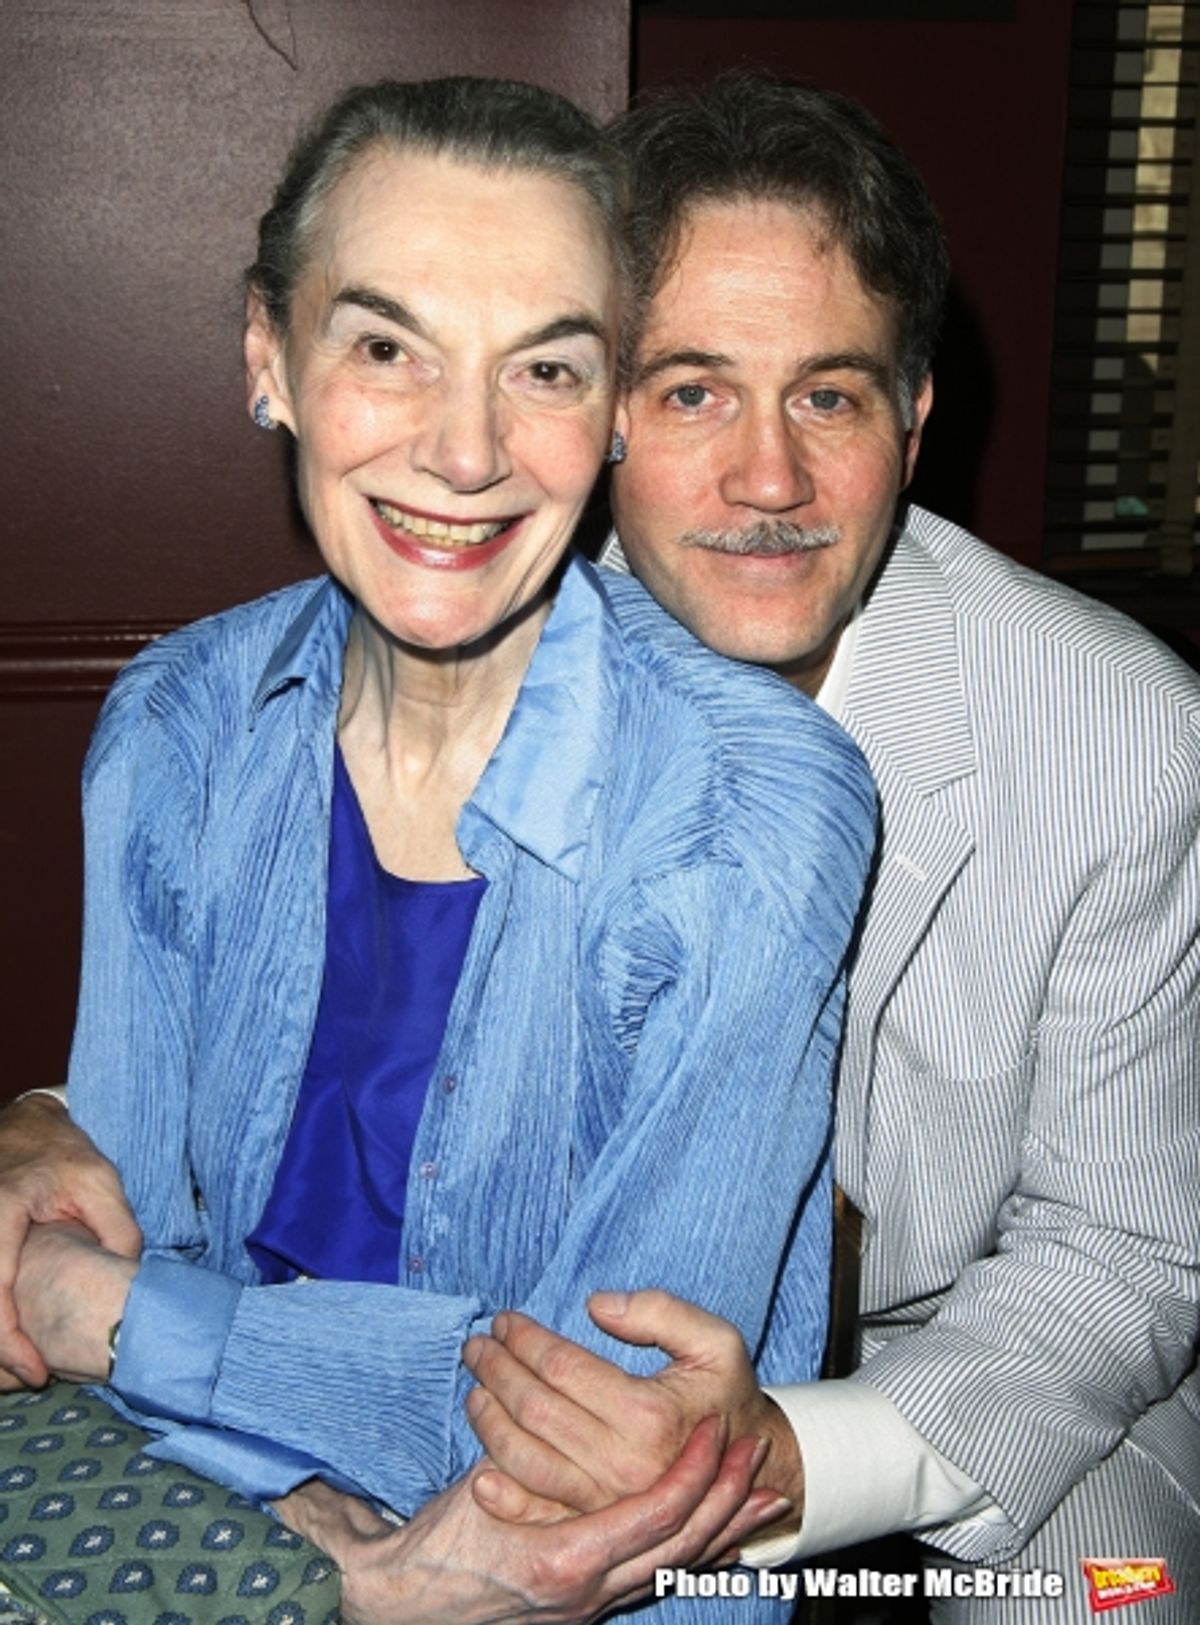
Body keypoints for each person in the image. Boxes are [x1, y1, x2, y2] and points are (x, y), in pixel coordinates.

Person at [0, 73, 877, 1624]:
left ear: (614, 410)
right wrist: (330, 1557)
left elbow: (597, 1449)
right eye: (387, 347)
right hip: (240, 1556)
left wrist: (114, 1314)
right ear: (271, 358)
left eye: (544, 367)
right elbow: (100, 1247)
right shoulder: (175, 727)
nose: (467, 452)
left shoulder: (760, 802)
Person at [449, 72, 1200, 1623]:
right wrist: (58, 1120)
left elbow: (1123, 1250)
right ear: (594, 415)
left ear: (913, 422)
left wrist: (793, 1456)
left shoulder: (1125, 734)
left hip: (990, 1374)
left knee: (1110, 1600)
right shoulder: (462, 666)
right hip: (560, 1361)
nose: (770, 481)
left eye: (830, 397)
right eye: (692, 392)